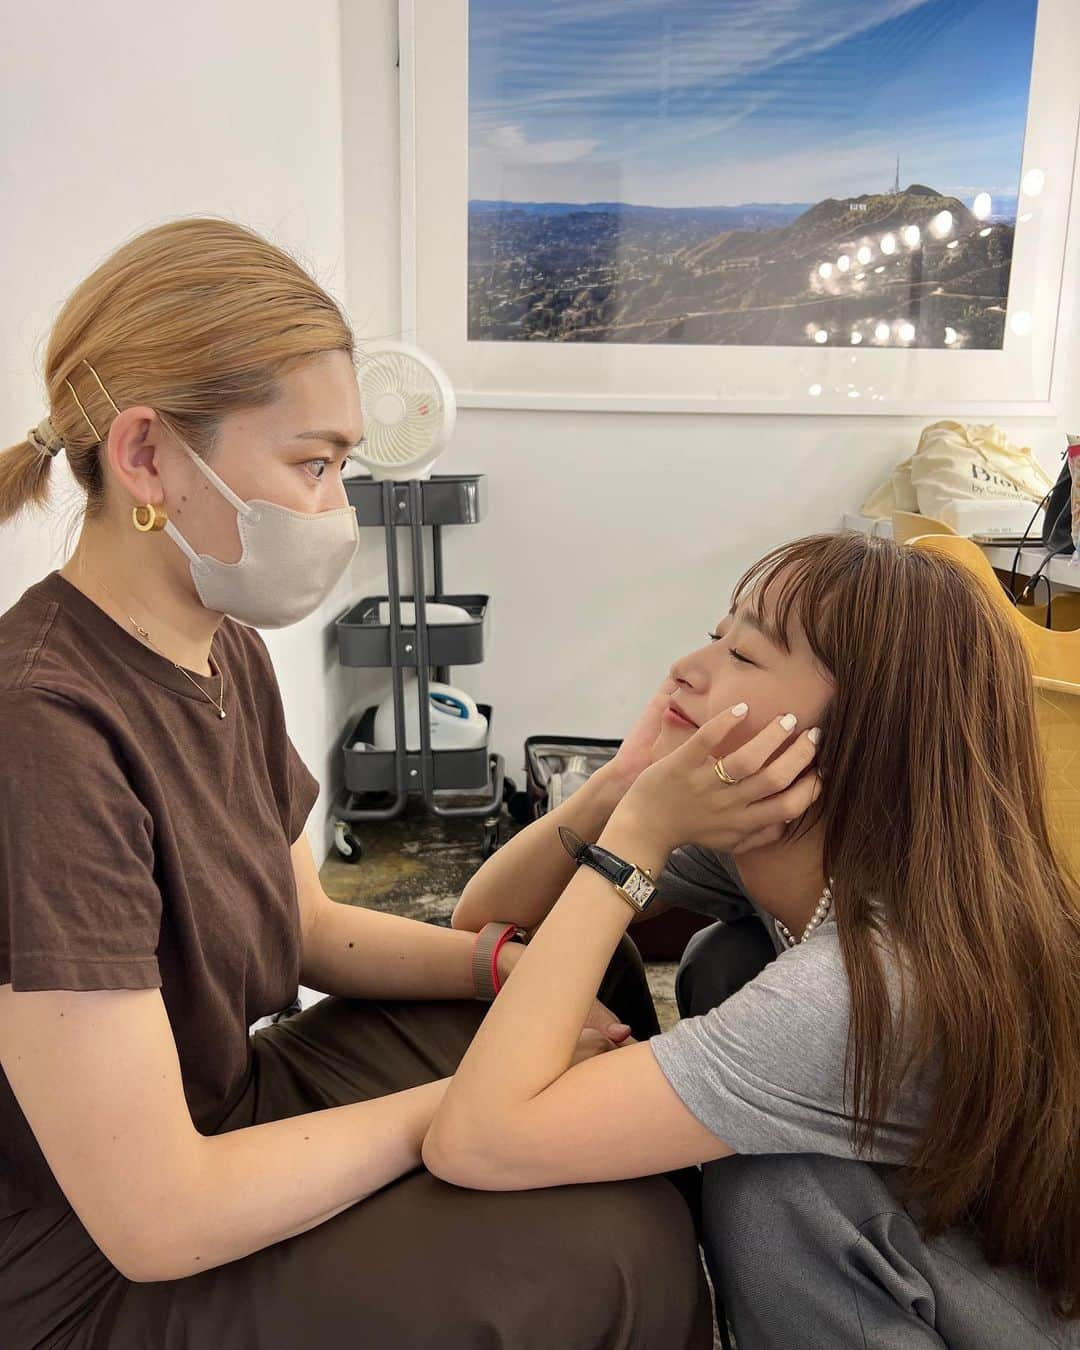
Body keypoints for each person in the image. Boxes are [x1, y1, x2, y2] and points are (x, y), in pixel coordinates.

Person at [0, 217, 714, 1350]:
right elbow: (154, 1217)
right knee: (609, 1245)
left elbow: (306, 928)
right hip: (107, 1263)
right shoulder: (42, 731)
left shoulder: (217, 641)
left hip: (230, 1106)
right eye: (313, 464)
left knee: (601, 988)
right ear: (146, 457)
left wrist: (503, 969)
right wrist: (469, 1112)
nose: (336, 508)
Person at [442, 529, 1080, 1350]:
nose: (688, 667)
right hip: (975, 1220)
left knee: (768, 1196)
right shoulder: (804, 848)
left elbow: (477, 1140)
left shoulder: (858, 988)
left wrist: (637, 838)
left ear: (861, 735)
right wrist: (619, 786)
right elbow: (486, 914)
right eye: (718, 636)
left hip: (1041, 1303)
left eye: (744, 656)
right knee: (725, 960)